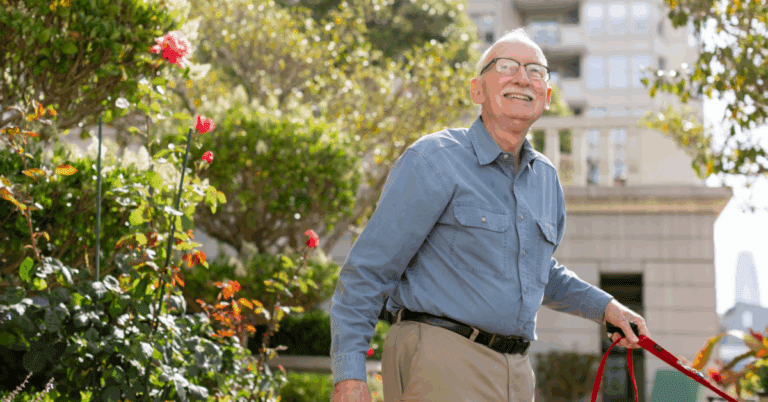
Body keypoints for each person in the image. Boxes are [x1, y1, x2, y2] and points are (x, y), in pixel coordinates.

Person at [330, 28, 651, 402]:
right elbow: (369, 270)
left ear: (546, 97)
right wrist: (349, 375)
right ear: (477, 90)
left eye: (535, 70)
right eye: (506, 66)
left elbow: (537, 271)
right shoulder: (434, 160)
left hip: (517, 371)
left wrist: (606, 307)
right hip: (440, 358)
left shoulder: (546, 179)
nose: (522, 77)